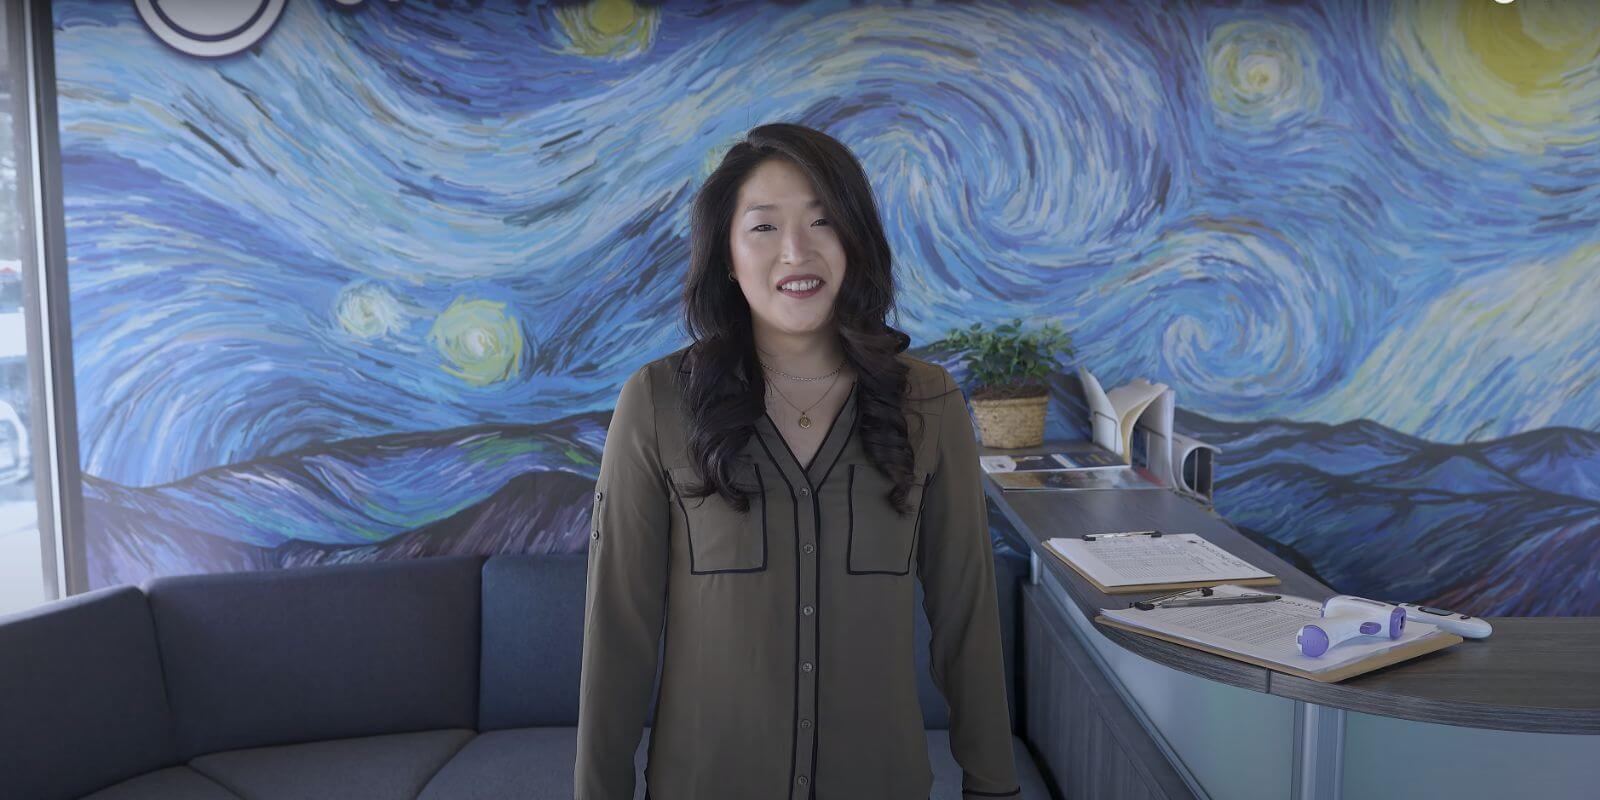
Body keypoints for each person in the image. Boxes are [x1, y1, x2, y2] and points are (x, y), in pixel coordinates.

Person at [574, 122, 1021, 800]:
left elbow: (967, 618)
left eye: (823, 222)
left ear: (855, 241)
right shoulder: (658, 401)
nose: (796, 251)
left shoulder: (927, 401)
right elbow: (618, 634)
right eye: (763, 228)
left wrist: (994, 787)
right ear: (726, 252)